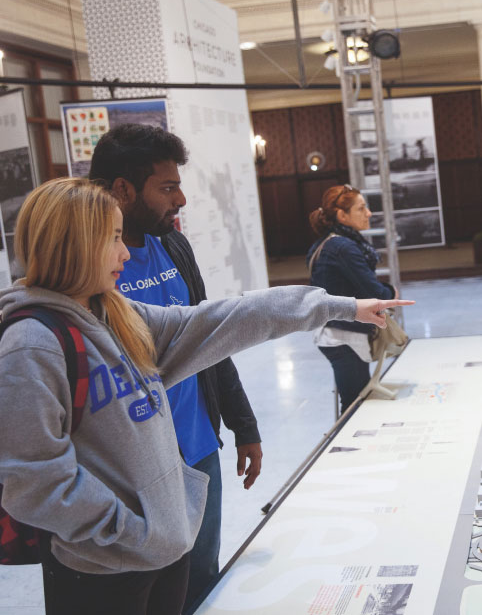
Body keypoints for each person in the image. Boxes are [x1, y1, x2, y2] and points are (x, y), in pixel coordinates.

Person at [0, 177, 410, 615]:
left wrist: (337, 306)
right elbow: (34, 481)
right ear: (74, 243)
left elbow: (224, 318)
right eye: (114, 238)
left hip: (162, 550)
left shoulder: (119, 315)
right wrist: (132, 533)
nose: (124, 253)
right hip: (102, 568)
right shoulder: (31, 344)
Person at [88, 123, 262, 610]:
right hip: (137, 467)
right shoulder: (91, 269)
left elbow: (210, 337)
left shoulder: (174, 246)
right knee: (151, 592)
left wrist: (242, 424)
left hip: (199, 448)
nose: (180, 199)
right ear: (123, 190)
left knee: (202, 577)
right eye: (167, 188)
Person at [307, 184, 398, 414]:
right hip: (342, 337)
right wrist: (391, 293)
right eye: (361, 208)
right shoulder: (342, 247)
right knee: (355, 406)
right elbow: (374, 292)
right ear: (342, 215)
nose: (368, 213)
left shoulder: (327, 243)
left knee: (354, 400)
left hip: (335, 332)